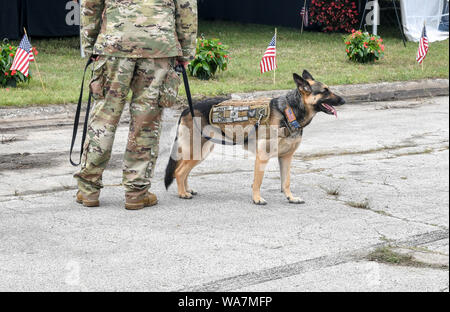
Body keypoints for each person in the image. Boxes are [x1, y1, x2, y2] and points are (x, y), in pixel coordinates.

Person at [74, 0, 197, 210]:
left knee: (104, 118)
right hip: (158, 47)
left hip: (114, 44)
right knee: (146, 122)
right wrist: (186, 52)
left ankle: (89, 190)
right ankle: (136, 193)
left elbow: (90, 5)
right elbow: (186, 8)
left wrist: (91, 45)